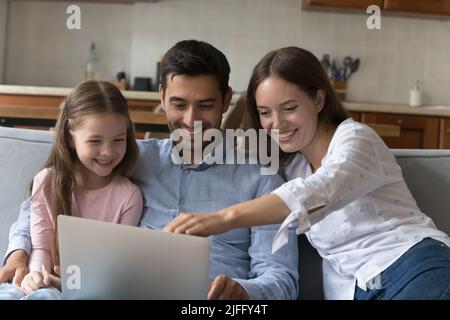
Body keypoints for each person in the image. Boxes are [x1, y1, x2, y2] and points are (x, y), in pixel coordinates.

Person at [0, 40, 299, 300]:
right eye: (178, 104)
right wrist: (18, 252)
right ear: (161, 97)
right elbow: (47, 194)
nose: (191, 119)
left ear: (225, 100)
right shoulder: (128, 156)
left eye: (205, 105)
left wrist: (245, 291)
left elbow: (282, 278)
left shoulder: (261, 179)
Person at [164, 46, 450, 300]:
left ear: (318, 100)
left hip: (413, 265)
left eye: (289, 108)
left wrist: (223, 218)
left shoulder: (356, 140)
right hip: (362, 290)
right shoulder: (292, 167)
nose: (277, 124)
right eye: (265, 112)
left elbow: (319, 192)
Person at [0, 80, 143, 300]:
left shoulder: (129, 197)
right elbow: (42, 246)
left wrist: (67, 285)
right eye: (95, 140)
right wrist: (37, 276)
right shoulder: (47, 181)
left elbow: (114, 267)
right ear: (70, 138)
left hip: (87, 291)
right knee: (10, 294)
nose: (108, 151)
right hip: (42, 279)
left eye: (118, 140)